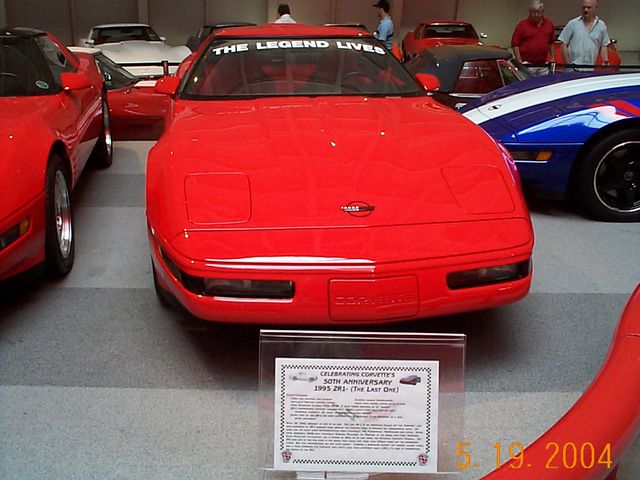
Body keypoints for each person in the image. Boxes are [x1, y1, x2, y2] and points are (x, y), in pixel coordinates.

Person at [558, 0, 610, 70]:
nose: (585, 10)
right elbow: (563, 44)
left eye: (588, 7)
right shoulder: (572, 24)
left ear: (595, 8)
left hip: (590, 68)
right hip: (573, 68)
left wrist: (605, 61)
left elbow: (604, 45)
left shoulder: (601, 25)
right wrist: (568, 64)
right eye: (583, 7)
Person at [511, 0, 556, 76]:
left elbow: (551, 42)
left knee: (544, 82)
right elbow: (515, 44)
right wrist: (519, 60)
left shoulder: (549, 24)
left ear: (543, 12)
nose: (536, 15)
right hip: (527, 63)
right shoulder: (522, 25)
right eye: (534, 12)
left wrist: (552, 58)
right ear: (529, 12)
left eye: (538, 12)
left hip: (543, 64)